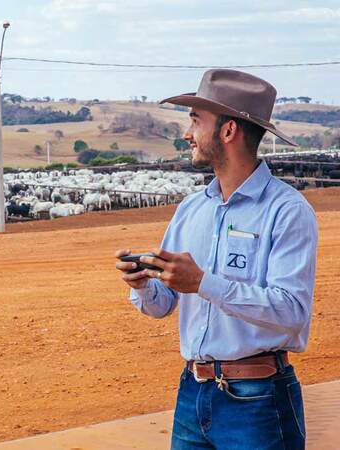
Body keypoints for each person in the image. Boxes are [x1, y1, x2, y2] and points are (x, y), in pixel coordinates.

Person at [115, 69, 317, 449]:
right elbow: (162, 306)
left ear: (228, 132)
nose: (187, 133)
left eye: (195, 120)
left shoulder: (287, 210)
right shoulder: (191, 210)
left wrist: (203, 282)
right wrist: (143, 284)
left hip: (258, 401)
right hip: (193, 393)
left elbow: (292, 311)